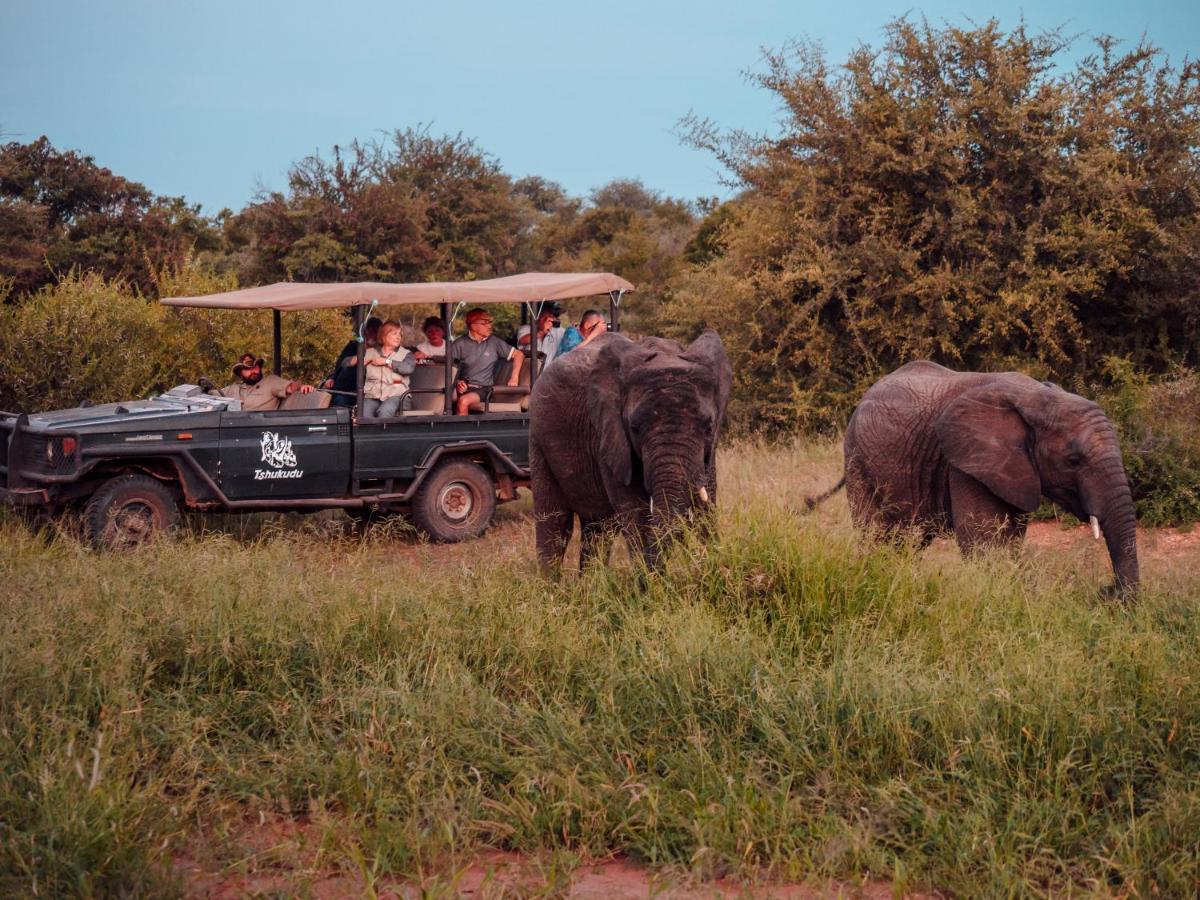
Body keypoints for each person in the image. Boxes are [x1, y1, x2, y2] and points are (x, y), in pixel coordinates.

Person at [450, 308, 522, 415]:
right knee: (444, 398)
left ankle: (463, 431)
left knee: (463, 401)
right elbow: (450, 371)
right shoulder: (458, 344)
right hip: (461, 389)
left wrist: (514, 376)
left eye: (489, 322)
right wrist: (457, 382)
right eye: (485, 323)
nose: (489, 326)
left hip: (484, 390)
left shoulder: (494, 342)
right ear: (473, 326)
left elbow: (519, 354)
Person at [217, 353, 314, 411]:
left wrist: (301, 387)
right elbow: (212, 394)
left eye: (255, 367)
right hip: (233, 430)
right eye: (247, 369)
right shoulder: (234, 388)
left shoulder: (271, 381)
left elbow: (290, 387)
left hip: (260, 430)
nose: (253, 371)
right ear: (241, 373)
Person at [362, 321, 417, 418]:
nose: (398, 337)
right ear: (383, 335)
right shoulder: (369, 352)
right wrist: (357, 360)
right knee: (363, 413)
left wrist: (387, 362)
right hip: (373, 396)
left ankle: (384, 433)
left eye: (400, 334)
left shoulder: (407, 354)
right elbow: (346, 364)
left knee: (385, 411)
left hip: (397, 396)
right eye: (394, 334)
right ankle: (369, 433)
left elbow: (408, 368)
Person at [324, 316, 381, 407]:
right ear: (365, 331)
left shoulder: (380, 351)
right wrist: (331, 378)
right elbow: (340, 365)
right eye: (371, 331)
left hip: (357, 392)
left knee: (339, 401)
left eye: (376, 332)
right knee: (321, 396)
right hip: (337, 387)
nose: (373, 335)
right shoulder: (353, 345)